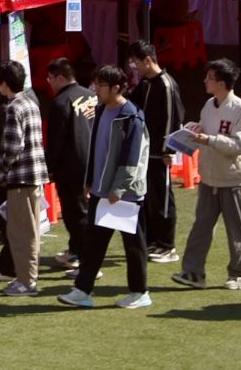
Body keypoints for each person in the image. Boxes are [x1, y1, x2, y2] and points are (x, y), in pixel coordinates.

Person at [57, 64, 151, 309]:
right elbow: (95, 150)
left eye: (100, 85)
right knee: (93, 244)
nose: (95, 89)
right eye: (96, 84)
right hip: (101, 191)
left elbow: (133, 157)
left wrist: (118, 189)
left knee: (133, 245)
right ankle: (82, 290)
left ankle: (140, 292)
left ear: (116, 88)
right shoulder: (100, 111)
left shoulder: (131, 116)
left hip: (125, 195)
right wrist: (90, 181)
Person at [172, 58, 241, 293]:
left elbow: (240, 145)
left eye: (209, 78)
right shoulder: (209, 105)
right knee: (201, 227)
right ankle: (193, 272)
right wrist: (196, 131)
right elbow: (205, 129)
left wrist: (209, 139)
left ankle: (240, 274)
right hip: (209, 178)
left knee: (236, 230)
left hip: (233, 180)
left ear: (221, 83)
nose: (204, 81)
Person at [0, 60, 47, 297]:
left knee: (21, 233)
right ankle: (26, 278)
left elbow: (13, 146)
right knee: (29, 232)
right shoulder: (31, 103)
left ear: (5, 83)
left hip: (20, 179)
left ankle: (26, 281)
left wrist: (1, 172)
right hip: (33, 176)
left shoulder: (14, 107)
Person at [125, 40, 184, 263]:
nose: (135, 67)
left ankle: (167, 245)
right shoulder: (145, 84)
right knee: (148, 198)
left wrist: (169, 151)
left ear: (148, 60)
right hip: (145, 151)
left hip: (161, 153)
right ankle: (153, 240)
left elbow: (173, 118)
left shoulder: (166, 85)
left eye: (136, 63)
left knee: (163, 200)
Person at [40, 57, 96, 269]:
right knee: (84, 211)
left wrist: (50, 167)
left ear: (60, 77)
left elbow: (56, 139)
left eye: (50, 78)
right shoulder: (91, 96)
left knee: (75, 213)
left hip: (70, 167)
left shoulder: (61, 102)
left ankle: (83, 255)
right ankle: (76, 249)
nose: (49, 83)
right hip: (91, 162)